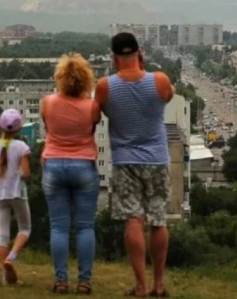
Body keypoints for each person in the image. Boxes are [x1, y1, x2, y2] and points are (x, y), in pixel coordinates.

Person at [94, 33, 174, 298]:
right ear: (139, 53)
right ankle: (158, 285)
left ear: (114, 57)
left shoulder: (105, 86)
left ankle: (140, 286)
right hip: (157, 159)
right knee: (158, 220)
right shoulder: (159, 80)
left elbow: (101, 112)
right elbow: (168, 96)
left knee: (133, 220)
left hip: (125, 160)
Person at [40, 53, 101, 295]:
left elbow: (47, 126)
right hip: (84, 166)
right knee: (85, 227)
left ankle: (61, 280)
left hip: (54, 165)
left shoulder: (48, 103)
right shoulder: (92, 107)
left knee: (59, 228)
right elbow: (92, 128)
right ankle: (84, 281)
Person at [0, 108, 32, 285]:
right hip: (17, 192)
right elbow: (25, 174)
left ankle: (6, 276)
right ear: (18, 129)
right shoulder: (21, 147)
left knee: (3, 234)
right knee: (25, 228)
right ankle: (12, 256)